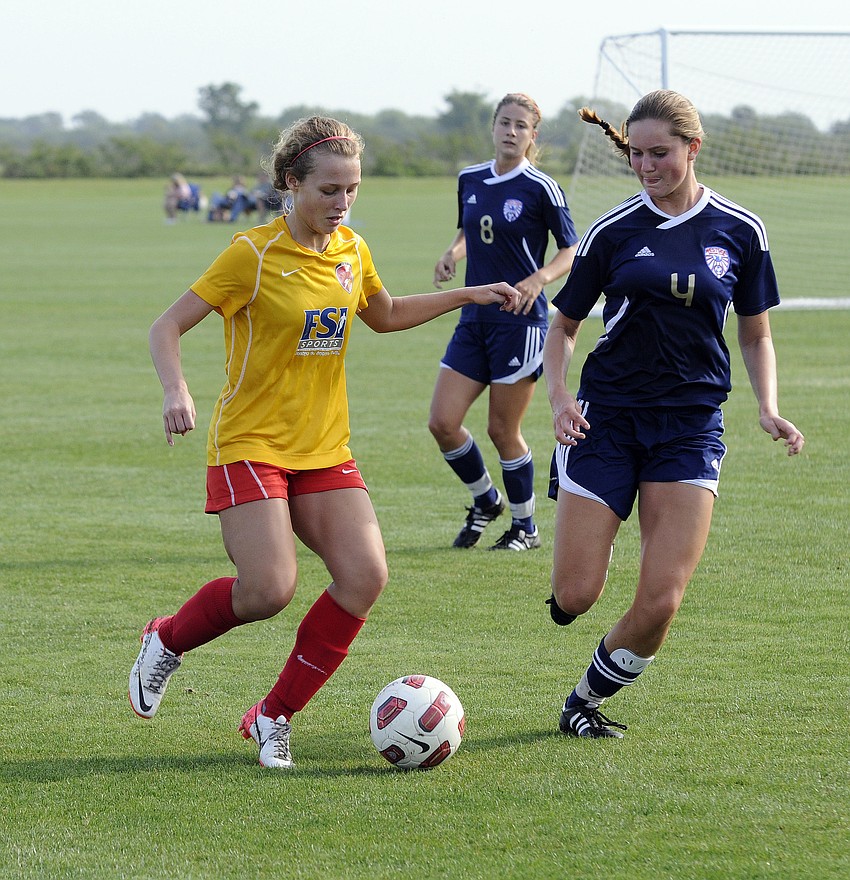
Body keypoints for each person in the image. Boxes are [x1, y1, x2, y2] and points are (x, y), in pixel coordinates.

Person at [129, 116, 520, 769]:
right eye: (329, 190)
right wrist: (177, 391)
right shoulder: (251, 254)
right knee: (268, 589)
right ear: (292, 182)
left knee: (365, 576)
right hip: (250, 442)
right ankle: (166, 640)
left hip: (323, 447)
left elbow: (383, 314)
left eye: (352, 190)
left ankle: (274, 716)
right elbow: (165, 327)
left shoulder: (351, 250)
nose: (342, 203)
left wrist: (467, 295)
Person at [542, 90, 805, 739]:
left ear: (693, 147)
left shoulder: (741, 231)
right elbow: (564, 326)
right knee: (575, 595)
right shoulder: (612, 231)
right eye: (636, 154)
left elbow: (755, 333)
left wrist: (768, 406)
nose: (645, 166)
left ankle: (582, 702)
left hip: (689, 427)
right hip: (606, 419)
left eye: (658, 153)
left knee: (661, 600)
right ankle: (582, 554)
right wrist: (559, 397)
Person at [430, 93, 579, 551]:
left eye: (521, 126)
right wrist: (451, 254)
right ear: (493, 126)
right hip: (473, 318)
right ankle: (485, 500)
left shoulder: (541, 187)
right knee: (442, 422)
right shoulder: (470, 178)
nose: (511, 132)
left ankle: (525, 527)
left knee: (501, 429)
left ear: (533, 135)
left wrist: (538, 279)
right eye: (504, 122)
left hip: (520, 323)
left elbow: (570, 250)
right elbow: (471, 231)